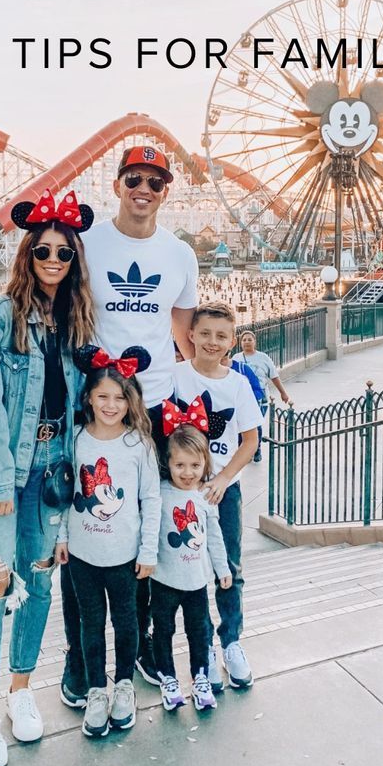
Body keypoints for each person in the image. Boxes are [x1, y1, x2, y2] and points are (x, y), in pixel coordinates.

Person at [0, 188, 94, 766]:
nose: (54, 262)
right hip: (2, 470)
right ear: (27, 255)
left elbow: (80, 411)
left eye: (64, 254)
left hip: (52, 473)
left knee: (39, 583)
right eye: (44, 252)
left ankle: (20, 690)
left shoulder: (76, 323)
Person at [80, 145, 198, 689]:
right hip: (99, 401)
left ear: (165, 190)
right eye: (135, 178)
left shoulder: (180, 254)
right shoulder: (87, 244)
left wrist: (205, 380)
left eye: (155, 180)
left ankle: (148, 644)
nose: (144, 188)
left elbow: (183, 326)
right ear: (118, 184)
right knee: (89, 517)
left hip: (152, 404)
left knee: (148, 519)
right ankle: (81, 665)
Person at [55, 345, 161, 738]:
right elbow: (67, 490)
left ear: (130, 401)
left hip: (125, 556)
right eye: (103, 396)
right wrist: (62, 536)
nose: (111, 404)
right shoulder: (78, 438)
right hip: (82, 554)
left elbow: (151, 499)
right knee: (90, 622)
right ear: (88, 398)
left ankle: (123, 686)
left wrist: (148, 551)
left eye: (119, 398)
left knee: (126, 620)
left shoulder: (138, 445)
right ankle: (96, 688)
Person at [173, 301, 262, 691]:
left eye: (221, 336)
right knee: (189, 571)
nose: (212, 342)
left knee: (230, 567)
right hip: (181, 491)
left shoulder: (238, 383)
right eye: (205, 333)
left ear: (231, 341)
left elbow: (250, 439)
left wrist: (224, 478)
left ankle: (231, 641)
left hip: (222, 491)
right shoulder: (173, 377)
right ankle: (203, 647)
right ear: (190, 335)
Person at [151, 413, 231, 712]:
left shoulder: (205, 497)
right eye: (180, 465)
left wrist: (222, 569)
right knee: (163, 630)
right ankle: (168, 678)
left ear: (205, 466)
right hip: (163, 580)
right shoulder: (159, 493)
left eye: (195, 466)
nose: (187, 472)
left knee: (199, 631)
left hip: (197, 582)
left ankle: (199, 677)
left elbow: (214, 537)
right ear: (168, 463)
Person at [232, 330, 290, 461]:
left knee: (255, 424)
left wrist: (283, 393)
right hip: (242, 398)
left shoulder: (263, 357)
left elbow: (274, 376)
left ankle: (256, 449)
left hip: (260, 397)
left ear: (255, 341)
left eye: (249, 339)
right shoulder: (236, 358)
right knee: (242, 425)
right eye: (244, 340)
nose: (247, 342)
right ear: (240, 343)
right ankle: (243, 451)